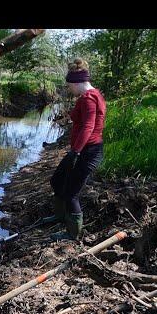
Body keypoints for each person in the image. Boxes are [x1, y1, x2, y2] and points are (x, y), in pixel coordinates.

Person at [48, 58, 106, 240]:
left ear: (78, 82)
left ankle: (72, 233)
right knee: (57, 180)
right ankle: (59, 217)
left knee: (71, 194)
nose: (69, 89)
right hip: (82, 150)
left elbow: (88, 127)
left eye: (70, 85)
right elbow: (79, 117)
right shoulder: (90, 96)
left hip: (88, 152)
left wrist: (76, 152)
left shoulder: (89, 98)